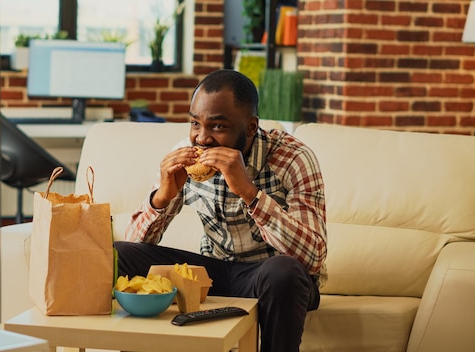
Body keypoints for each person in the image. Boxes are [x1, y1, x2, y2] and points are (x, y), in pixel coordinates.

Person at [114, 69, 327, 352]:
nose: (201, 138)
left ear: (251, 127)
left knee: (283, 271)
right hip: (211, 272)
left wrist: (249, 193)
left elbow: (312, 258)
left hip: (269, 277)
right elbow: (135, 242)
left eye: (217, 127)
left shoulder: (293, 158)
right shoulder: (184, 156)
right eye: (194, 124)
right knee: (120, 255)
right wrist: (162, 197)